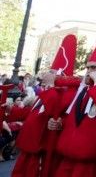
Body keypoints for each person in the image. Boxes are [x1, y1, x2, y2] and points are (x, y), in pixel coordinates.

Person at [53, 28, 96, 177]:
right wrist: (60, 124)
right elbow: (74, 117)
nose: (89, 71)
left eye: (94, 68)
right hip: (69, 156)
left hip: (92, 162)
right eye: (88, 68)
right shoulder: (83, 90)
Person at [12, 34, 77, 177]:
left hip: (41, 152)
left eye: (52, 72)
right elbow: (31, 113)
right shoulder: (47, 91)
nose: (47, 74)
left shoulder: (64, 93)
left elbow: (54, 110)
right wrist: (12, 109)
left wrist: (52, 87)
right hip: (27, 149)